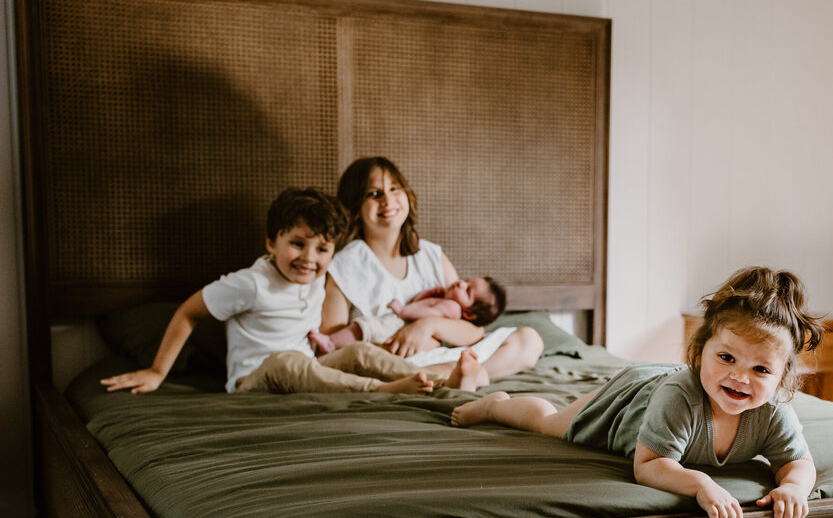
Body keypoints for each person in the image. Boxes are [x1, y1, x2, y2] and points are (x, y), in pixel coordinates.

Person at [451, 266, 824, 518]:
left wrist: (792, 487)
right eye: (726, 358)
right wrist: (702, 484)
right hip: (629, 401)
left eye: (761, 370)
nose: (739, 377)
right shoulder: (681, 398)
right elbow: (648, 465)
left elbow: (799, 461)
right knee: (549, 423)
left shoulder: (774, 411)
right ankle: (496, 404)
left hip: (659, 388)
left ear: (782, 378)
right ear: (699, 352)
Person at [100, 188, 479, 396]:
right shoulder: (250, 283)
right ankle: (384, 391)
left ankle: (440, 385)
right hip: (255, 382)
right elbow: (189, 313)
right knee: (287, 361)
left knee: (358, 351)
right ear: (271, 242)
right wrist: (156, 371)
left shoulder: (320, 277)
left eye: (322, 249)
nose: (309, 259)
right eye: (297, 244)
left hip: (307, 372)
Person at [321, 157, 542, 382]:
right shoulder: (344, 265)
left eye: (394, 189)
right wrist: (402, 342)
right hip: (387, 361)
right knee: (363, 360)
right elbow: (331, 347)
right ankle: (447, 377)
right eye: (374, 194)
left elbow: (473, 332)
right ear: (355, 206)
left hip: (442, 358)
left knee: (529, 340)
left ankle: (448, 375)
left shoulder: (430, 255)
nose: (388, 200)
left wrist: (428, 325)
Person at [310, 275, 507, 355]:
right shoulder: (449, 302)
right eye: (465, 280)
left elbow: (426, 312)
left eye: (467, 291)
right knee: (364, 330)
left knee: (364, 328)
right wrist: (431, 294)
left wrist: (403, 310)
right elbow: (422, 302)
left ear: (468, 313)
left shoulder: (452, 309)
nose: (460, 284)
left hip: (400, 323)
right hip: (402, 325)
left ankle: (331, 342)